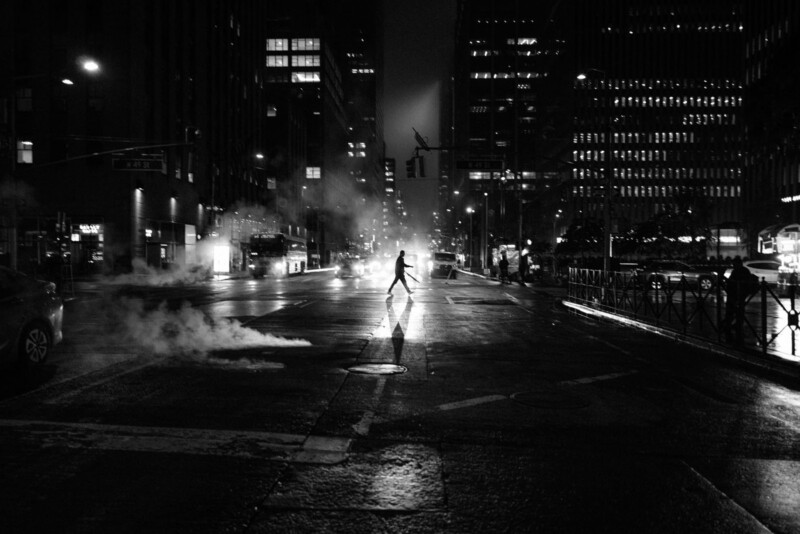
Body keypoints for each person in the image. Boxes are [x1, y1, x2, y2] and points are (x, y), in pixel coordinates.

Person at [723, 256, 758, 343]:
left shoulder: (740, 271)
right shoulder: (743, 270)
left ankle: (733, 325)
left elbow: (734, 282)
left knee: (732, 310)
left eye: (734, 264)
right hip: (739, 294)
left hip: (737, 294)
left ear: (738, 263)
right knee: (738, 310)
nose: (733, 265)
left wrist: (726, 281)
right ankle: (736, 324)